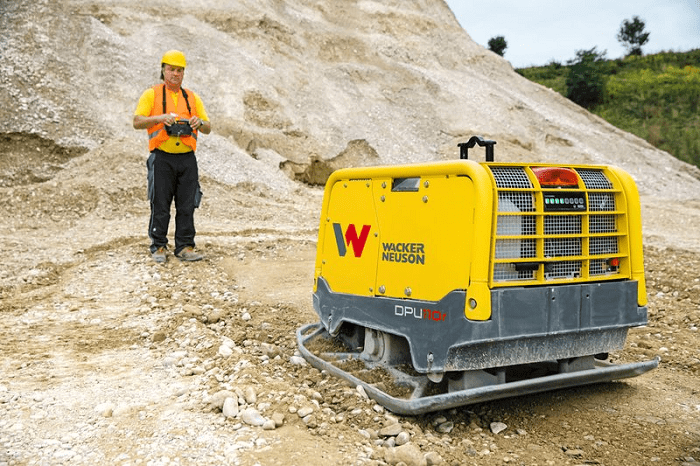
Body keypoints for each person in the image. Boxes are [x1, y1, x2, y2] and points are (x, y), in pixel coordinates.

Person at [133, 50, 211, 263]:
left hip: (187, 159)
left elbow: (208, 127)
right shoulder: (152, 94)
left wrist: (199, 123)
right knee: (160, 203)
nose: (175, 74)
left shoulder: (192, 98)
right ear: (163, 70)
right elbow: (137, 121)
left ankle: (185, 246)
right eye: (171, 69)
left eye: (179, 70)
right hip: (162, 158)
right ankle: (158, 246)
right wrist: (159, 118)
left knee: (187, 205)